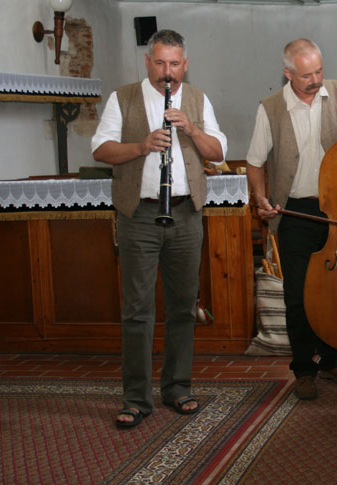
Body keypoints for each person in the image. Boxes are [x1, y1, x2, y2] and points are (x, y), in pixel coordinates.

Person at [91, 29, 228, 428]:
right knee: (137, 310)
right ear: (147, 62)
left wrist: (192, 129)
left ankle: (178, 387)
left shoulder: (197, 98)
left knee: (183, 307)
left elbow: (219, 152)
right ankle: (136, 398)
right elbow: (100, 149)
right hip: (139, 215)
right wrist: (141, 146)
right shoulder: (123, 97)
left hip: (185, 214)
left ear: (185, 64)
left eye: (175, 64)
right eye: (160, 63)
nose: (167, 72)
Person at [246, 38, 337, 400]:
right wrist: (260, 198)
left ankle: (331, 362)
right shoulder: (270, 108)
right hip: (294, 212)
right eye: (306, 75)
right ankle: (303, 369)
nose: (315, 80)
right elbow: (255, 162)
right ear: (288, 73)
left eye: (319, 71)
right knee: (297, 297)